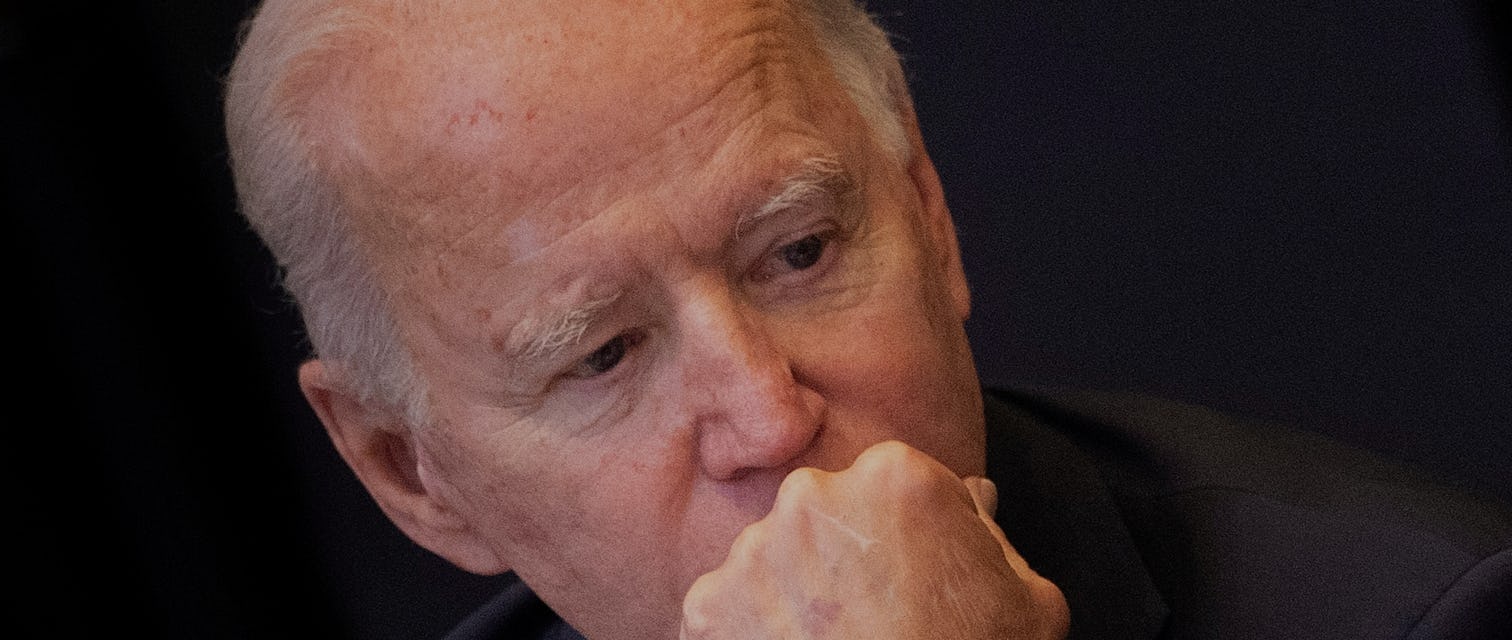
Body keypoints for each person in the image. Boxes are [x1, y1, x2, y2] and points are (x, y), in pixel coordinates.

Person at [221, 0, 1512, 638]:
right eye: (601, 352)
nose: (769, 416)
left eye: (799, 251)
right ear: (412, 474)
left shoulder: (1419, 614)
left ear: (930, 221)